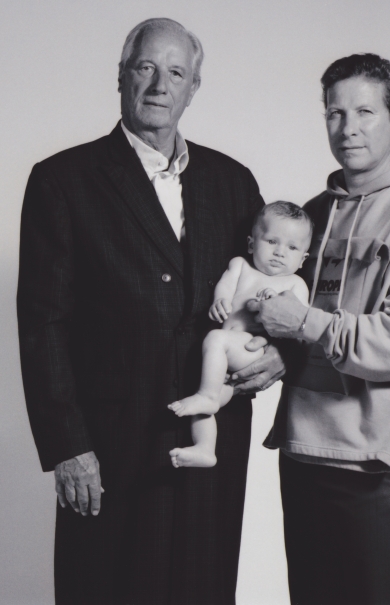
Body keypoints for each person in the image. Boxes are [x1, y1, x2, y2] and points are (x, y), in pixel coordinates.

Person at [17, 18, 284, 605]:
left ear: (194, 88)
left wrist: (281, 356)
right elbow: (42, 324)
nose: (160, 85)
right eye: (146, 67)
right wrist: (67, 446)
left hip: (211, 439)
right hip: (111, 444)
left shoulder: (234, 181)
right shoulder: (63, 180)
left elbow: (271, 285)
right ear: (121, 76)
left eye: (176, 73)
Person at [249, 53, 390, 605]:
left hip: (374, 460)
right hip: (303, 450)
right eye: (335, 113)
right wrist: (278, 353)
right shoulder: (313, 214)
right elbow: (296, 325)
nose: (348, 128)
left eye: (365, 112)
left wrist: (304, 323)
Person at [168, 202, 311, 468]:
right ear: (251, 244)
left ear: (303, 258)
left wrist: (276, 301)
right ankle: (204, 448)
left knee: (214, 342)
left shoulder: (295, 283)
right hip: (224, 355)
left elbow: (297, 321)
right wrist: (220, 301)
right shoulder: (240, 265)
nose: (280, 252)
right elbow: (225, 287)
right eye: (272, 241)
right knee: (210, 398)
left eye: (292, 247)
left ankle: (207, 397)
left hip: (252, 350)